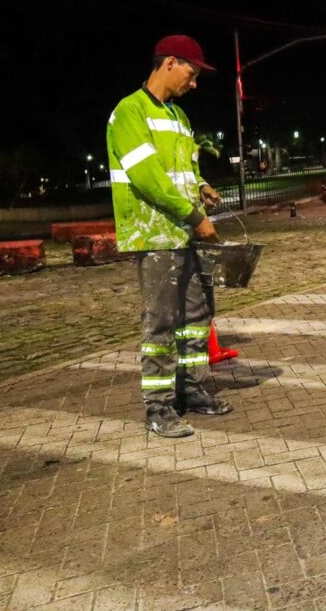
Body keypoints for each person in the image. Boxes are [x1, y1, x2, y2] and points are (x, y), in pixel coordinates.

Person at [106, 34, 232, 438]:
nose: (194, 84)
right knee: (162, 321)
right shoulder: (129, 113)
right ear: (170, 63)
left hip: (185, 232)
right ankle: (158, 407)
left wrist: (202, 187)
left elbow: (183, 171)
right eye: (191, 74)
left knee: (196, 317)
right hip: (154, 234)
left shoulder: (180, 118)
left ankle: (191, 390)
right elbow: (148, 179)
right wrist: (196, 216)